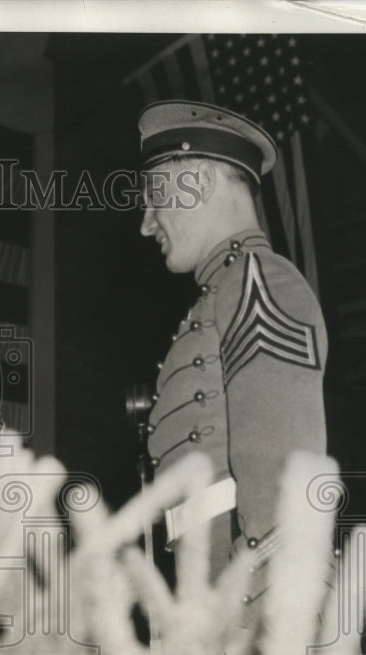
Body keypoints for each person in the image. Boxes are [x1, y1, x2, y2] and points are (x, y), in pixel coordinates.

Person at [137, 100, 328, 584]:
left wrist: (258, 631)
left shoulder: (257, 280)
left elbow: (282, 495)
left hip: (252, 605)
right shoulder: (223, 291)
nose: (146, 222)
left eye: (154, 195)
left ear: (198, 178)